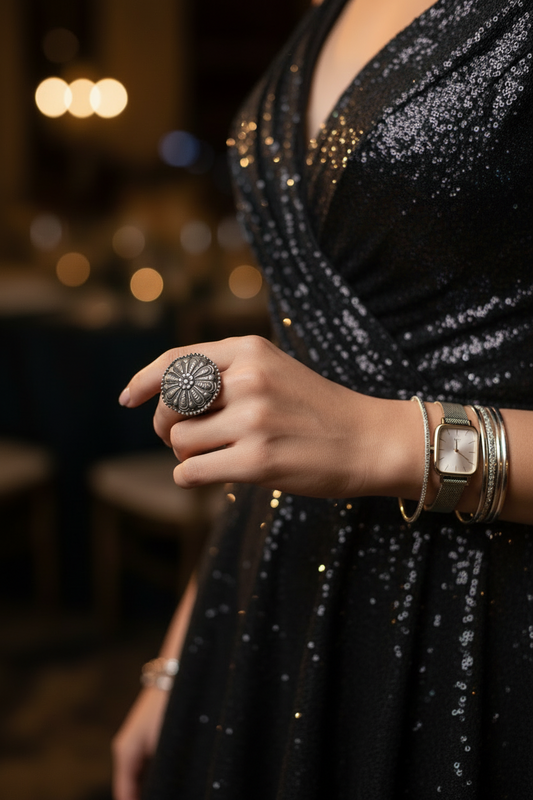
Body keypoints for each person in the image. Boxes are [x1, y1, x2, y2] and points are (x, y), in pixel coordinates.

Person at [112, 0, 533, 797]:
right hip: (266, 602)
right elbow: (293, 389)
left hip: (484, 629)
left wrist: (385, 441)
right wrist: (177, 659)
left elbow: (335, 424)